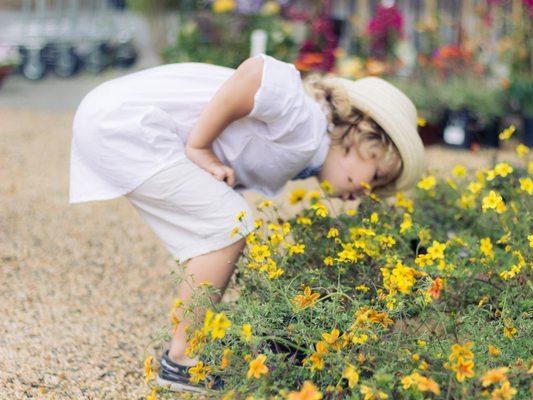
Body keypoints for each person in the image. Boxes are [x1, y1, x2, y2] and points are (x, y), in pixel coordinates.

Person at [68, 52, 425, 393]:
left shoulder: (306, 147)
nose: (366, 191)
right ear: (359, 134)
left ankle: (190, 342)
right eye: (375, 175)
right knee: (228, 223)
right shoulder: (307, 124)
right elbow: (256, 73)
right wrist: (201, 147)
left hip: (114, 119)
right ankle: (181, 359)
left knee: (219, 227)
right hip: (126, 124)